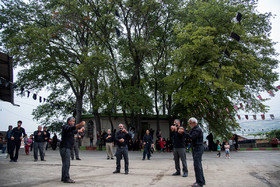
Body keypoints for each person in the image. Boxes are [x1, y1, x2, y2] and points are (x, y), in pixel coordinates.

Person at [60, 117, 85, 183]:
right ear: (69, 121)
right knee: (67, 163)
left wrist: (80, 130)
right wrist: (79, 125)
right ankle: (66, 178)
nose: (74, 123)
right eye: (73, 121)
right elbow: (71, 128)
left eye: (74, 122)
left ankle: (63, 177)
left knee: (65, 163)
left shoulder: (69, 129)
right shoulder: (65, 127)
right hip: (65, 148)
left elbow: (74, 131)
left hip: (66, 148)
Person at [188, 117, 205, 187]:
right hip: (195, 147)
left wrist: (183, 133)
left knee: (197, 164)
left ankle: (199, 182)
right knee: (198, 165)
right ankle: (201, 180)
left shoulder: (197, 130)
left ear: (194, 123)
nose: (189, 124)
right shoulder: (193, 129)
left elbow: (191, 137)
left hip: (198, 147)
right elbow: (189, 135)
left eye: (190, 123)